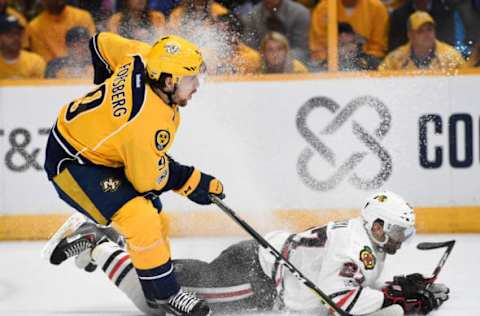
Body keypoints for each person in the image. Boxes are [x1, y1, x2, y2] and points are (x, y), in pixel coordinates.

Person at [43, 31, 225, 316]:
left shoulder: (142, 56)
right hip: (73, 164)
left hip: (98, 149)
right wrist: (192, 181)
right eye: (191, 80)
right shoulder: (145, 122)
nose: (197, 86)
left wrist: (109, 103)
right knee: (142, 219)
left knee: (155, 215)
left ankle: (109, 242)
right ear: (168, 81)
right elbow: (146, 180)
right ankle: (166, 295)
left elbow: (100, 42)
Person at [45, 191, 449, 315]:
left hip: (257, 264)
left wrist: (396, 286)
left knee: (168, 282)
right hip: (254, 277)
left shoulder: (366, 240)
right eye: (397, 229)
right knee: (160, 301)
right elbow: (340, 302)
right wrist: (396, 298)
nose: (402, 237)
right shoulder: (357, 245)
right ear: (377, 224)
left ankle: (104, 247)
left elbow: (349, 286)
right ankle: (98, 244)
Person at [379, 11, 465, 71]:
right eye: (420, 31)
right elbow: (381, 80)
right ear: (410, 35)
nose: (427, 34)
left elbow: (465, 80)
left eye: (429, 29)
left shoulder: (451, 56)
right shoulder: (395, 59)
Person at [309, 0, 389, 63]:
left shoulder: (377, 8)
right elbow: (317, 49)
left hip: (366, 64)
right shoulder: (323, 9)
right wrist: (331, 60)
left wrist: (361, 61)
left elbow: (378, 49)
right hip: (329, 65)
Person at [241, 0, 311, 64]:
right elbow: (249, 49)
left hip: (295, 66)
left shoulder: (300, 13)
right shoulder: (251, 17)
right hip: (261, 66)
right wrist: (266, 59)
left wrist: (279, 58)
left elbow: (302, 50)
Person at [29, 0, 96, 63]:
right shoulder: (34, 27)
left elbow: (92, 50)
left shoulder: (83, 16)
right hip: (54, 71)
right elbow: (46, 62)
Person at [0, 14, 46, 79]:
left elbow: (40, 88)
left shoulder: (36, 61)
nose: (16, 37)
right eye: (10, 34)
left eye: (18, 33)